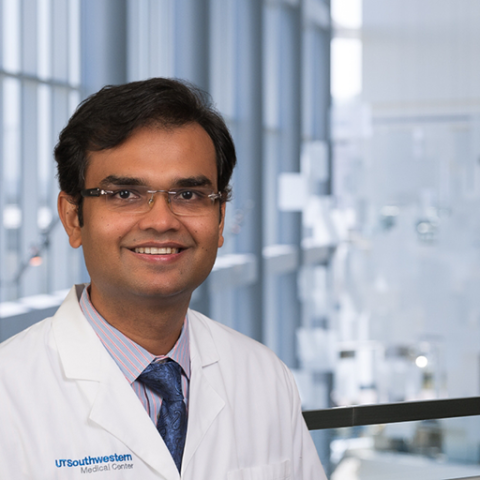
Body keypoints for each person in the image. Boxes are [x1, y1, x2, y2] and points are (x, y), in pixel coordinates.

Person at [0, 78, 326, 480]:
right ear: (72, 218)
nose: (161, 221)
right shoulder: (9, 392)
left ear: (220, 219)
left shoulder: (263, 375)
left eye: (188, 195)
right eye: (125, 195)